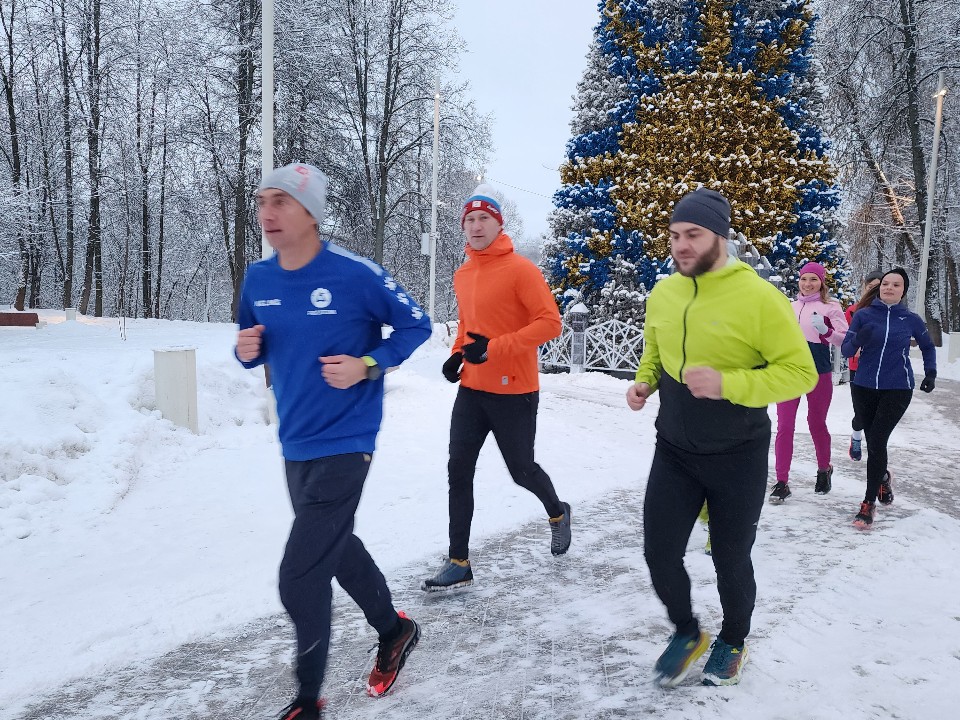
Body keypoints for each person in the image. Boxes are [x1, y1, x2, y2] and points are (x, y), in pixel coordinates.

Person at [235, 163, 432, 719]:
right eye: (262, 201)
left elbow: (417, 325)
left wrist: (369, 364)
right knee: (334, 544)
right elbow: (251, 341)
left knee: (300, 573)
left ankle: (307, 701)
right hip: (295, 440)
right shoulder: (258, 279)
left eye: (281, 201)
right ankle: (395, 631)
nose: (268, 212)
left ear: (310, 213)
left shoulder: (355, 274)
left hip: (349, 438)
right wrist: (246, 349)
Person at [625, 188, 817, 687]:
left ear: (720, 237)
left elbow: (801, 373)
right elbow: (656, 348)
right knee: (658, 552)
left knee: (730, 556)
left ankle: (733, 639)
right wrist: (646, 379)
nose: (681, 245)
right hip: (675, 450)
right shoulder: (664, 293)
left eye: (693, 235)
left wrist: (730, 384)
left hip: (738, 453)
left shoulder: (759, 298)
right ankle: (687, 631)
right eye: (674, 236)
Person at [421, 184, 571, 592]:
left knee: (522, 470)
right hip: (472, 391)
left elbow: (549, 323)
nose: (474, 225)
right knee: (458, 472)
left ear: (498, 223)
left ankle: (557, 513)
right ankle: (459, 561)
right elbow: (469, 326)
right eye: (468, 219)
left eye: (483, 218)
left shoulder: (521, 269)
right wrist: (457, 354)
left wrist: (495, 349)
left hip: (515, 391)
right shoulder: (463, 272)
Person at [841, 268, 936, 529]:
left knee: (878, 440)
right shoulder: (863, 315)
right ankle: (882, 478)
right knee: (874, 444)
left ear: (903, 290)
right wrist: (859, 338)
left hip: (898, 388)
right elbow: (846, 349)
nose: (889, 288)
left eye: (896, 285)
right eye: (885, 284)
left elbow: (927, 346)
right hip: (864, 386)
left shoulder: (911, 319)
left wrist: (931, 373)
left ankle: (868, 503)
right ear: (879, 287)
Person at [770, 262, 849, 502]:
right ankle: (782, 481)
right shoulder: (789, 306)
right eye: (804, 279)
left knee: (816, 423)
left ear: (822, 282)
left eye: (813, 279)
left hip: (818, 371)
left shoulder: (831, 307)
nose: (807, 284)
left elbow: (844, 341)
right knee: (784, 426)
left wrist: (825, 331)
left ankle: (824, 470)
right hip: (789, 371)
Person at [844, 270, 884, 460]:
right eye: (871, 287)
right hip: (858, 368)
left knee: (878, 415)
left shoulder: (891, 313)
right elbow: (846, 338)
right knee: (860, 411)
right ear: (864, 288)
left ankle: (876, 451)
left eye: (878, 287)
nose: (875, 291)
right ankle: (856, 437)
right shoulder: (853, 311)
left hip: (881, 368)